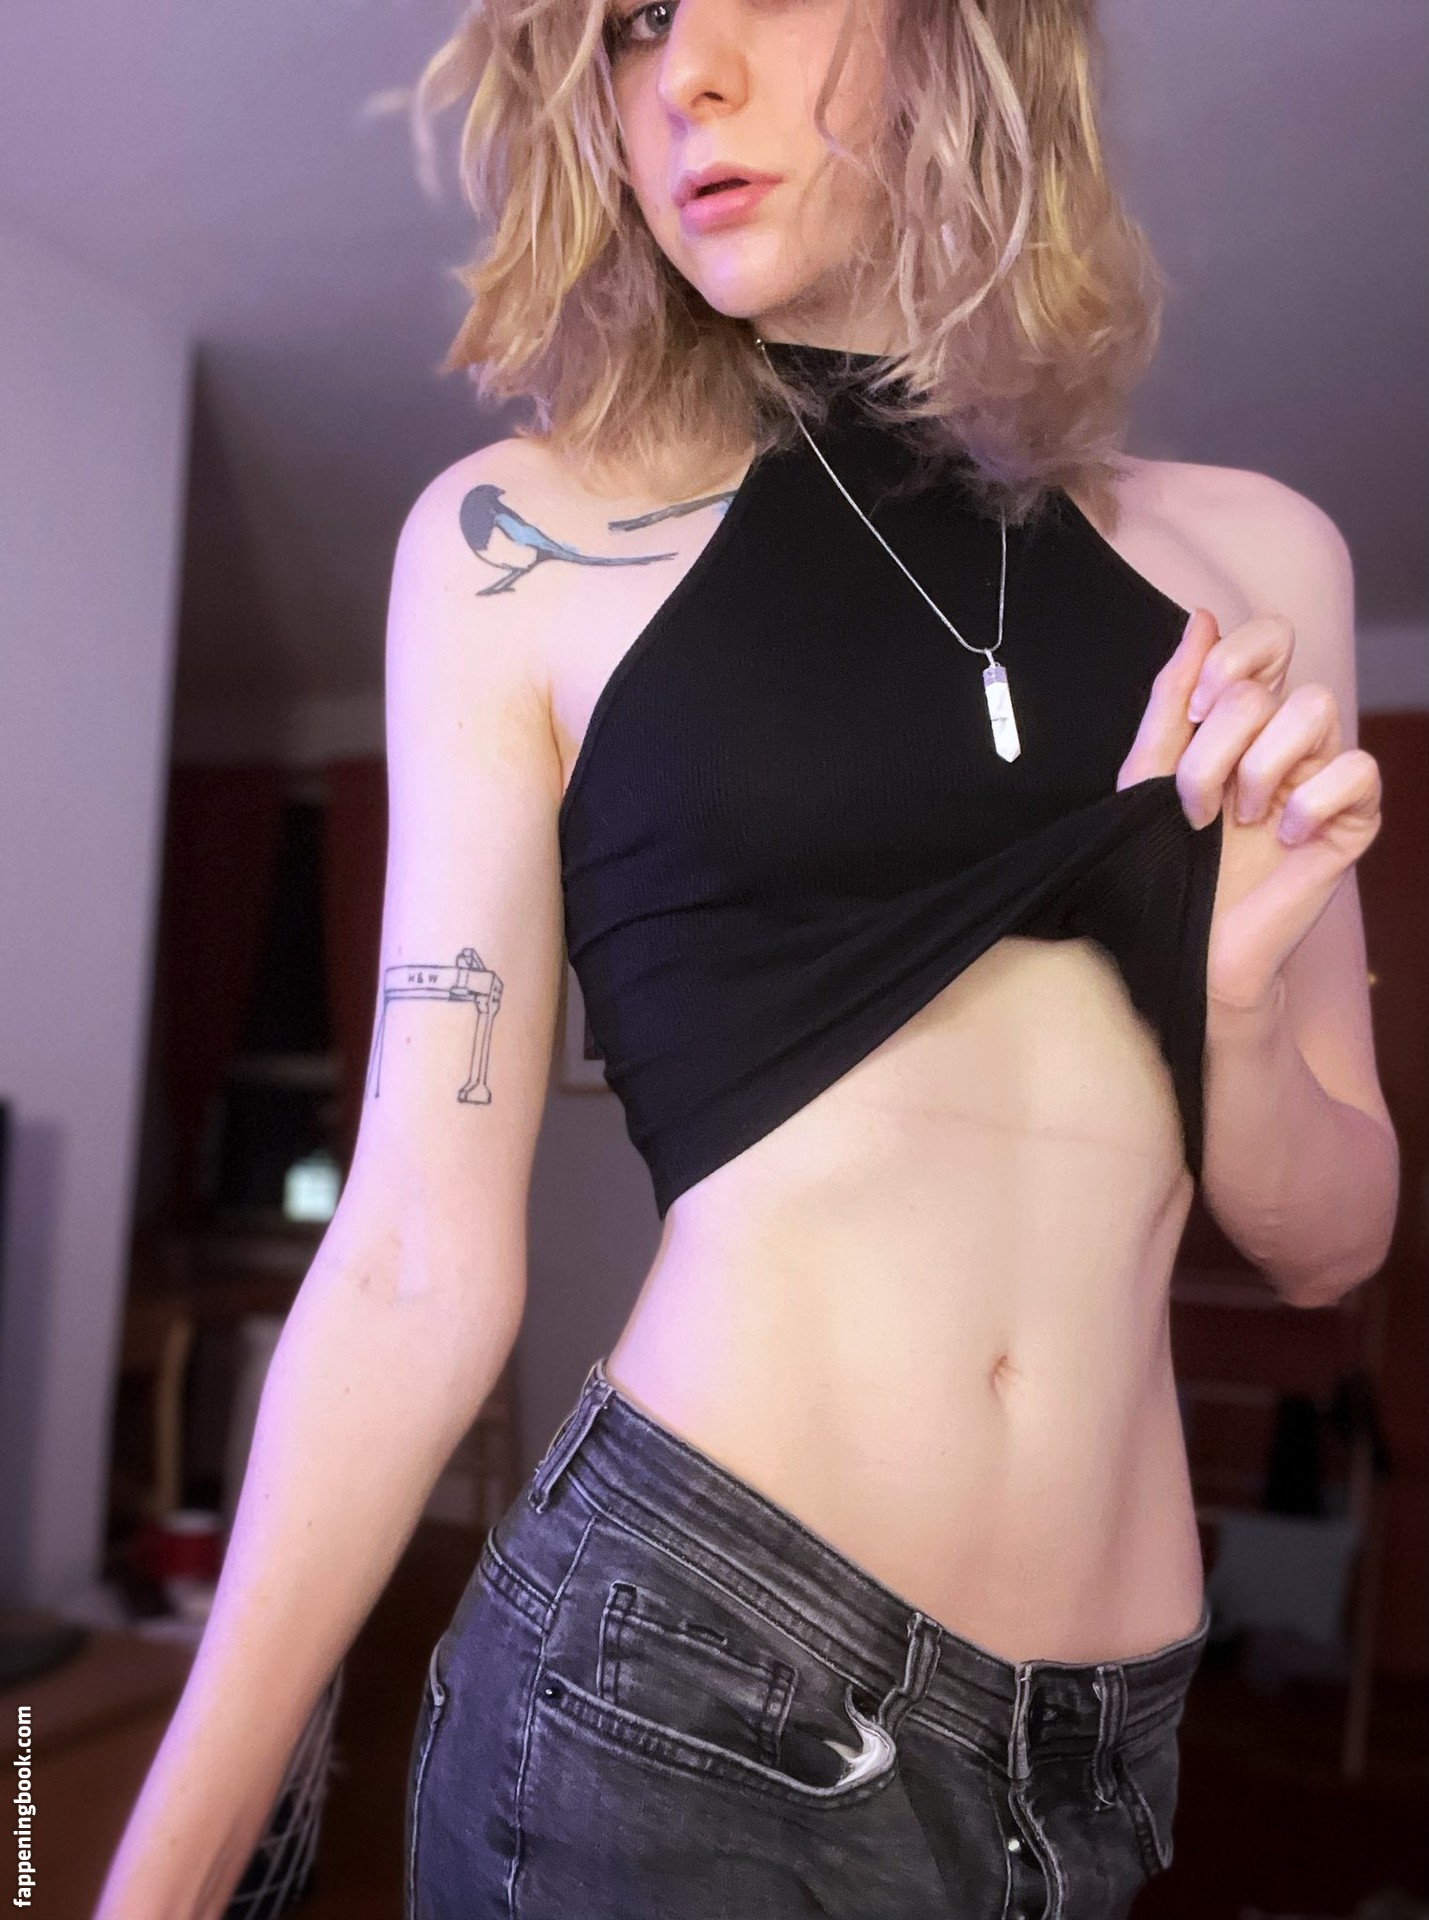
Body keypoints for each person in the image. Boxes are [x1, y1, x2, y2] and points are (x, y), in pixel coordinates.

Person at [96, 0, 1400, 1916]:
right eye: (632, 22)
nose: (684, 71)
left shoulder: (1262, 559)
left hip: (1098, 1758)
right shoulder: (519, 545)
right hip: (687, 1675)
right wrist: (162, 1875)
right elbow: (407, 1261)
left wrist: (1235, 1002)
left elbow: (1329, 1239)